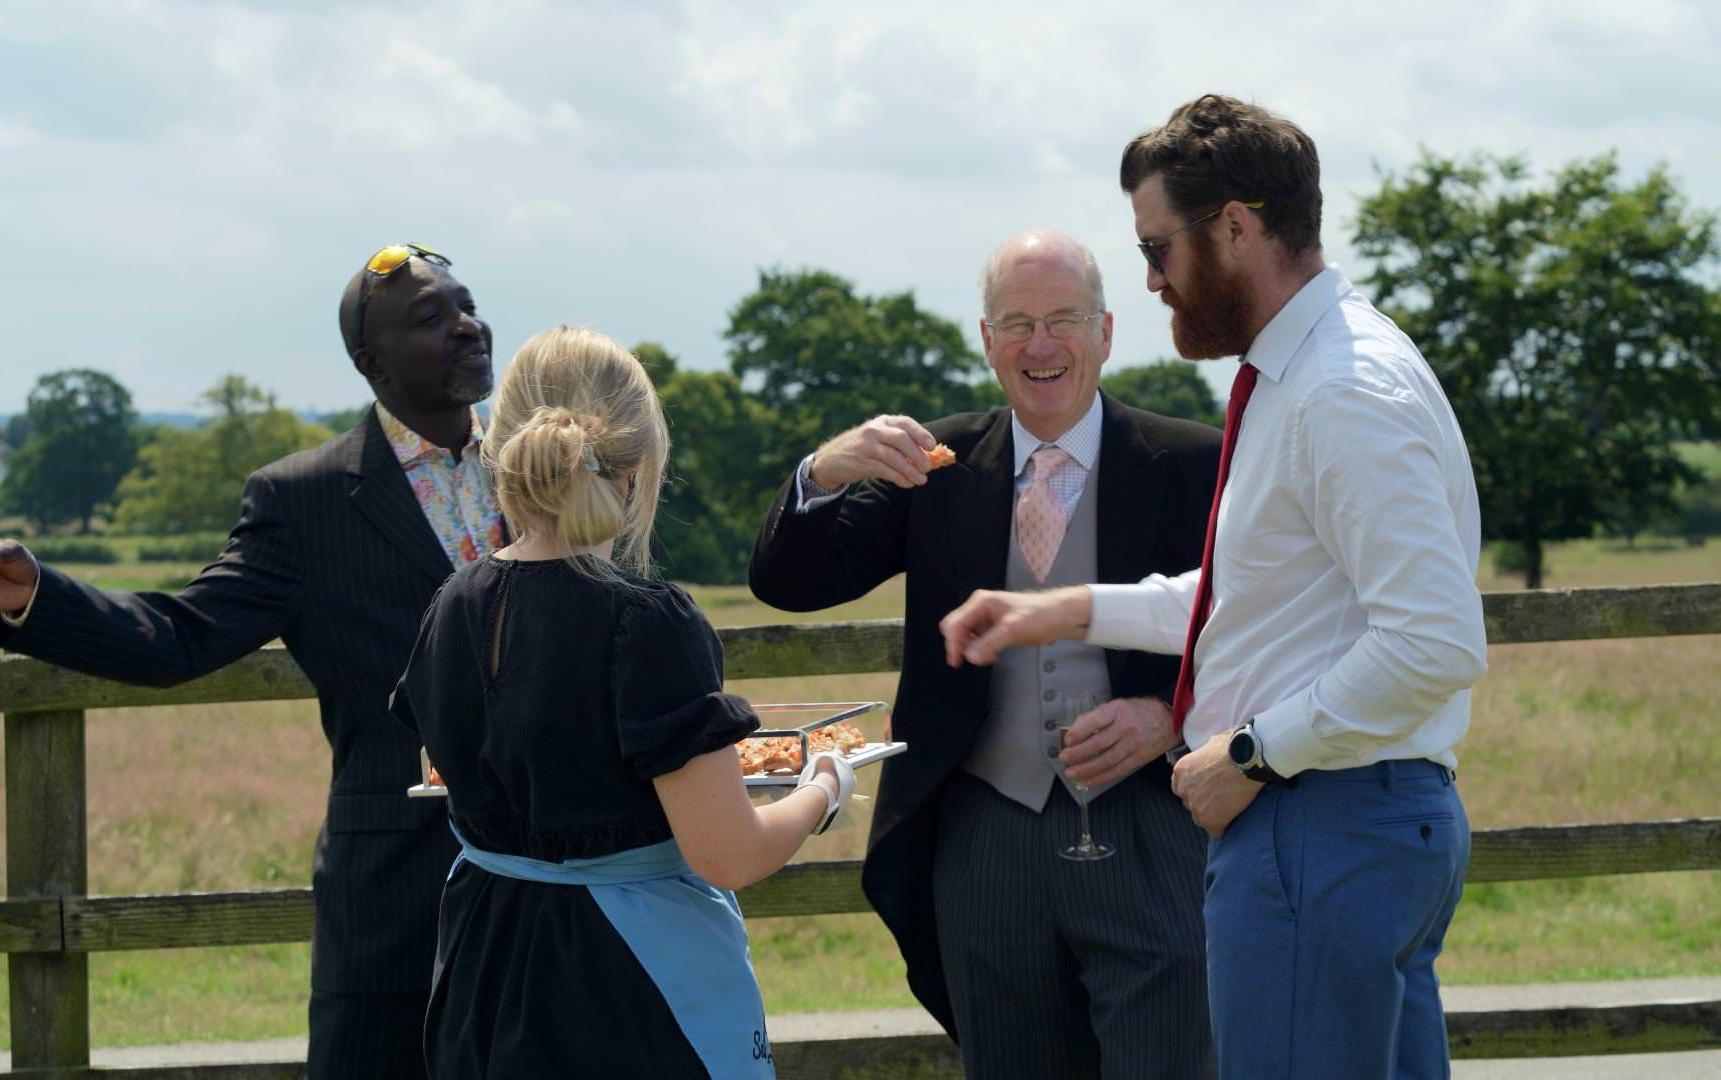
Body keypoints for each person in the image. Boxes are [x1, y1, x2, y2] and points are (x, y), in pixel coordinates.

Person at [940, 95, 1488, 1080]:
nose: (1150, 281)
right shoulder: (1315, 372)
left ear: (1236, 227)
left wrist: (1249, 753)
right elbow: (1264, 596)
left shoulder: (1342, 390)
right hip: (1351, 824)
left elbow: (1434, 643)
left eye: (1159, 249)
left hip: (1320, 825)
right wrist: (1063, 610)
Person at [0, 243, 505, 1078]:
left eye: (467, 306)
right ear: (369, 363)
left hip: (563, 875)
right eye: (430, 317)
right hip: (397, 890)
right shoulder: (306, 501)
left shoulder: (542, 469)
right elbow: (182, 635)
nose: (466, 327)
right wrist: (35, 598)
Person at [747, 229, 1220, 1078]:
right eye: (1017, 323)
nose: (1040, 346)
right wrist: (824, 470)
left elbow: (1263, 626)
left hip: (1151, 822)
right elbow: (790, 582)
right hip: (982, 835)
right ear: (986, 339)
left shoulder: (1195, 463)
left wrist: (1168, 716)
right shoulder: (935, 465)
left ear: (1107, 332)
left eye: (1063, 320)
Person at [389, 325, 852, 1079]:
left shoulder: (452, 602)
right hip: (626, 983)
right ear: (637, 468)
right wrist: (824, 786)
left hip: (482, 960)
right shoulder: (648, 620)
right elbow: (728, 853)